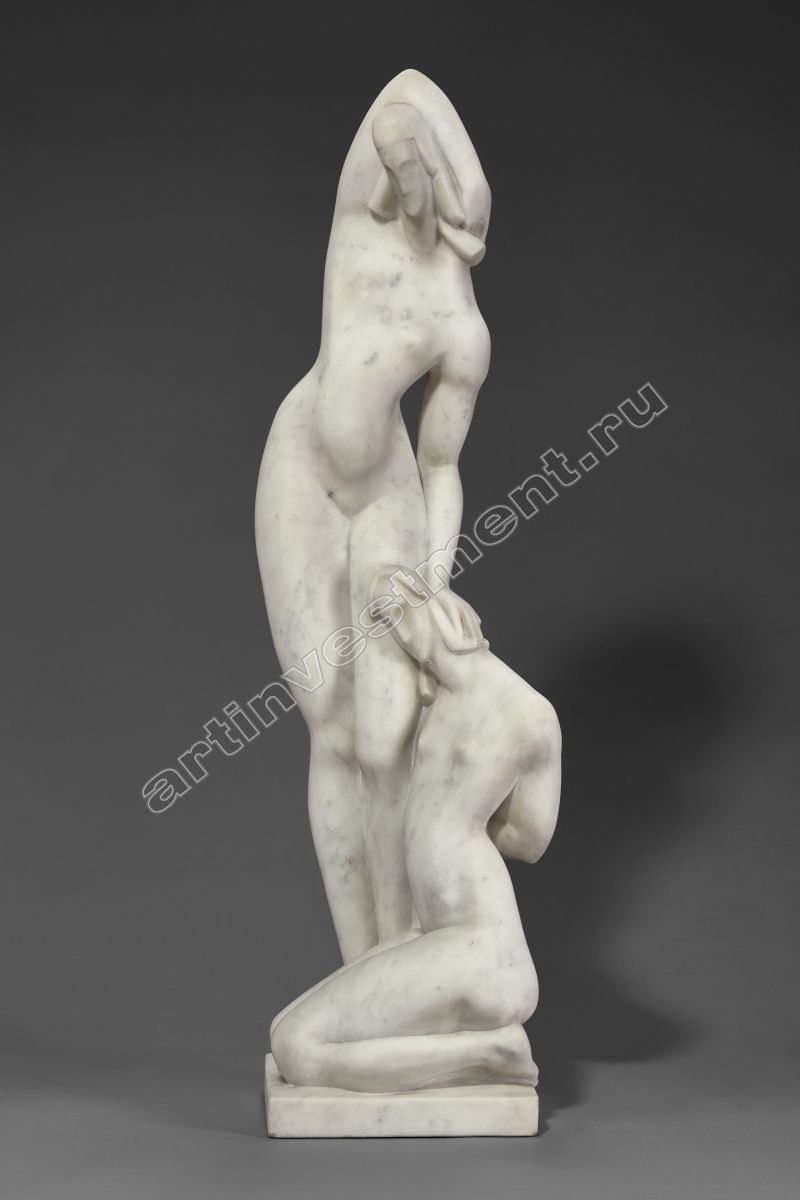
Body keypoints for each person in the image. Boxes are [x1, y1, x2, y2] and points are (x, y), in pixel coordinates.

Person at [255, 72, 491, 962]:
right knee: (331, 725)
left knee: (388, 739)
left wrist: (434, 581)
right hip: (299, 472)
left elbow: (441, 465)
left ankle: (400, 953)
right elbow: (401, 99)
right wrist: (415, 149)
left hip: (388, 495)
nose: (413, 194)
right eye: (407, 174)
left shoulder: (460, 329)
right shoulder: (360, 225)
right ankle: (363, 967)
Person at [269, 570, 561, 1093]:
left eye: (398, 620)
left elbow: (529, 841)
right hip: (437, 938)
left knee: (297, 1048)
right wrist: (449, 825)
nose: (398, 638)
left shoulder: (529, 713)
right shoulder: (440, 701)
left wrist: (459, 825)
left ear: (443, 614)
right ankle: (481, 1051)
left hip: (483, 949)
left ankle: (493, 1054)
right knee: (284, 1031)